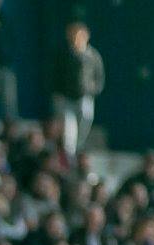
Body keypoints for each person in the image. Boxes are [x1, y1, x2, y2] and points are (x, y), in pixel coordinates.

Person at [50, 21, 104, 156]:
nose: (76, 38)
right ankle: (69, 154)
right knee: (69, 128)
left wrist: (92, 90)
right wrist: (57, 93)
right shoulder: (63, 54)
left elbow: (99, 76)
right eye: (73, 35)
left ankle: (78, 149)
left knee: (85, 121)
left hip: (85, 97)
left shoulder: (93, 55)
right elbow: (55, 74)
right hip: (65, 98)